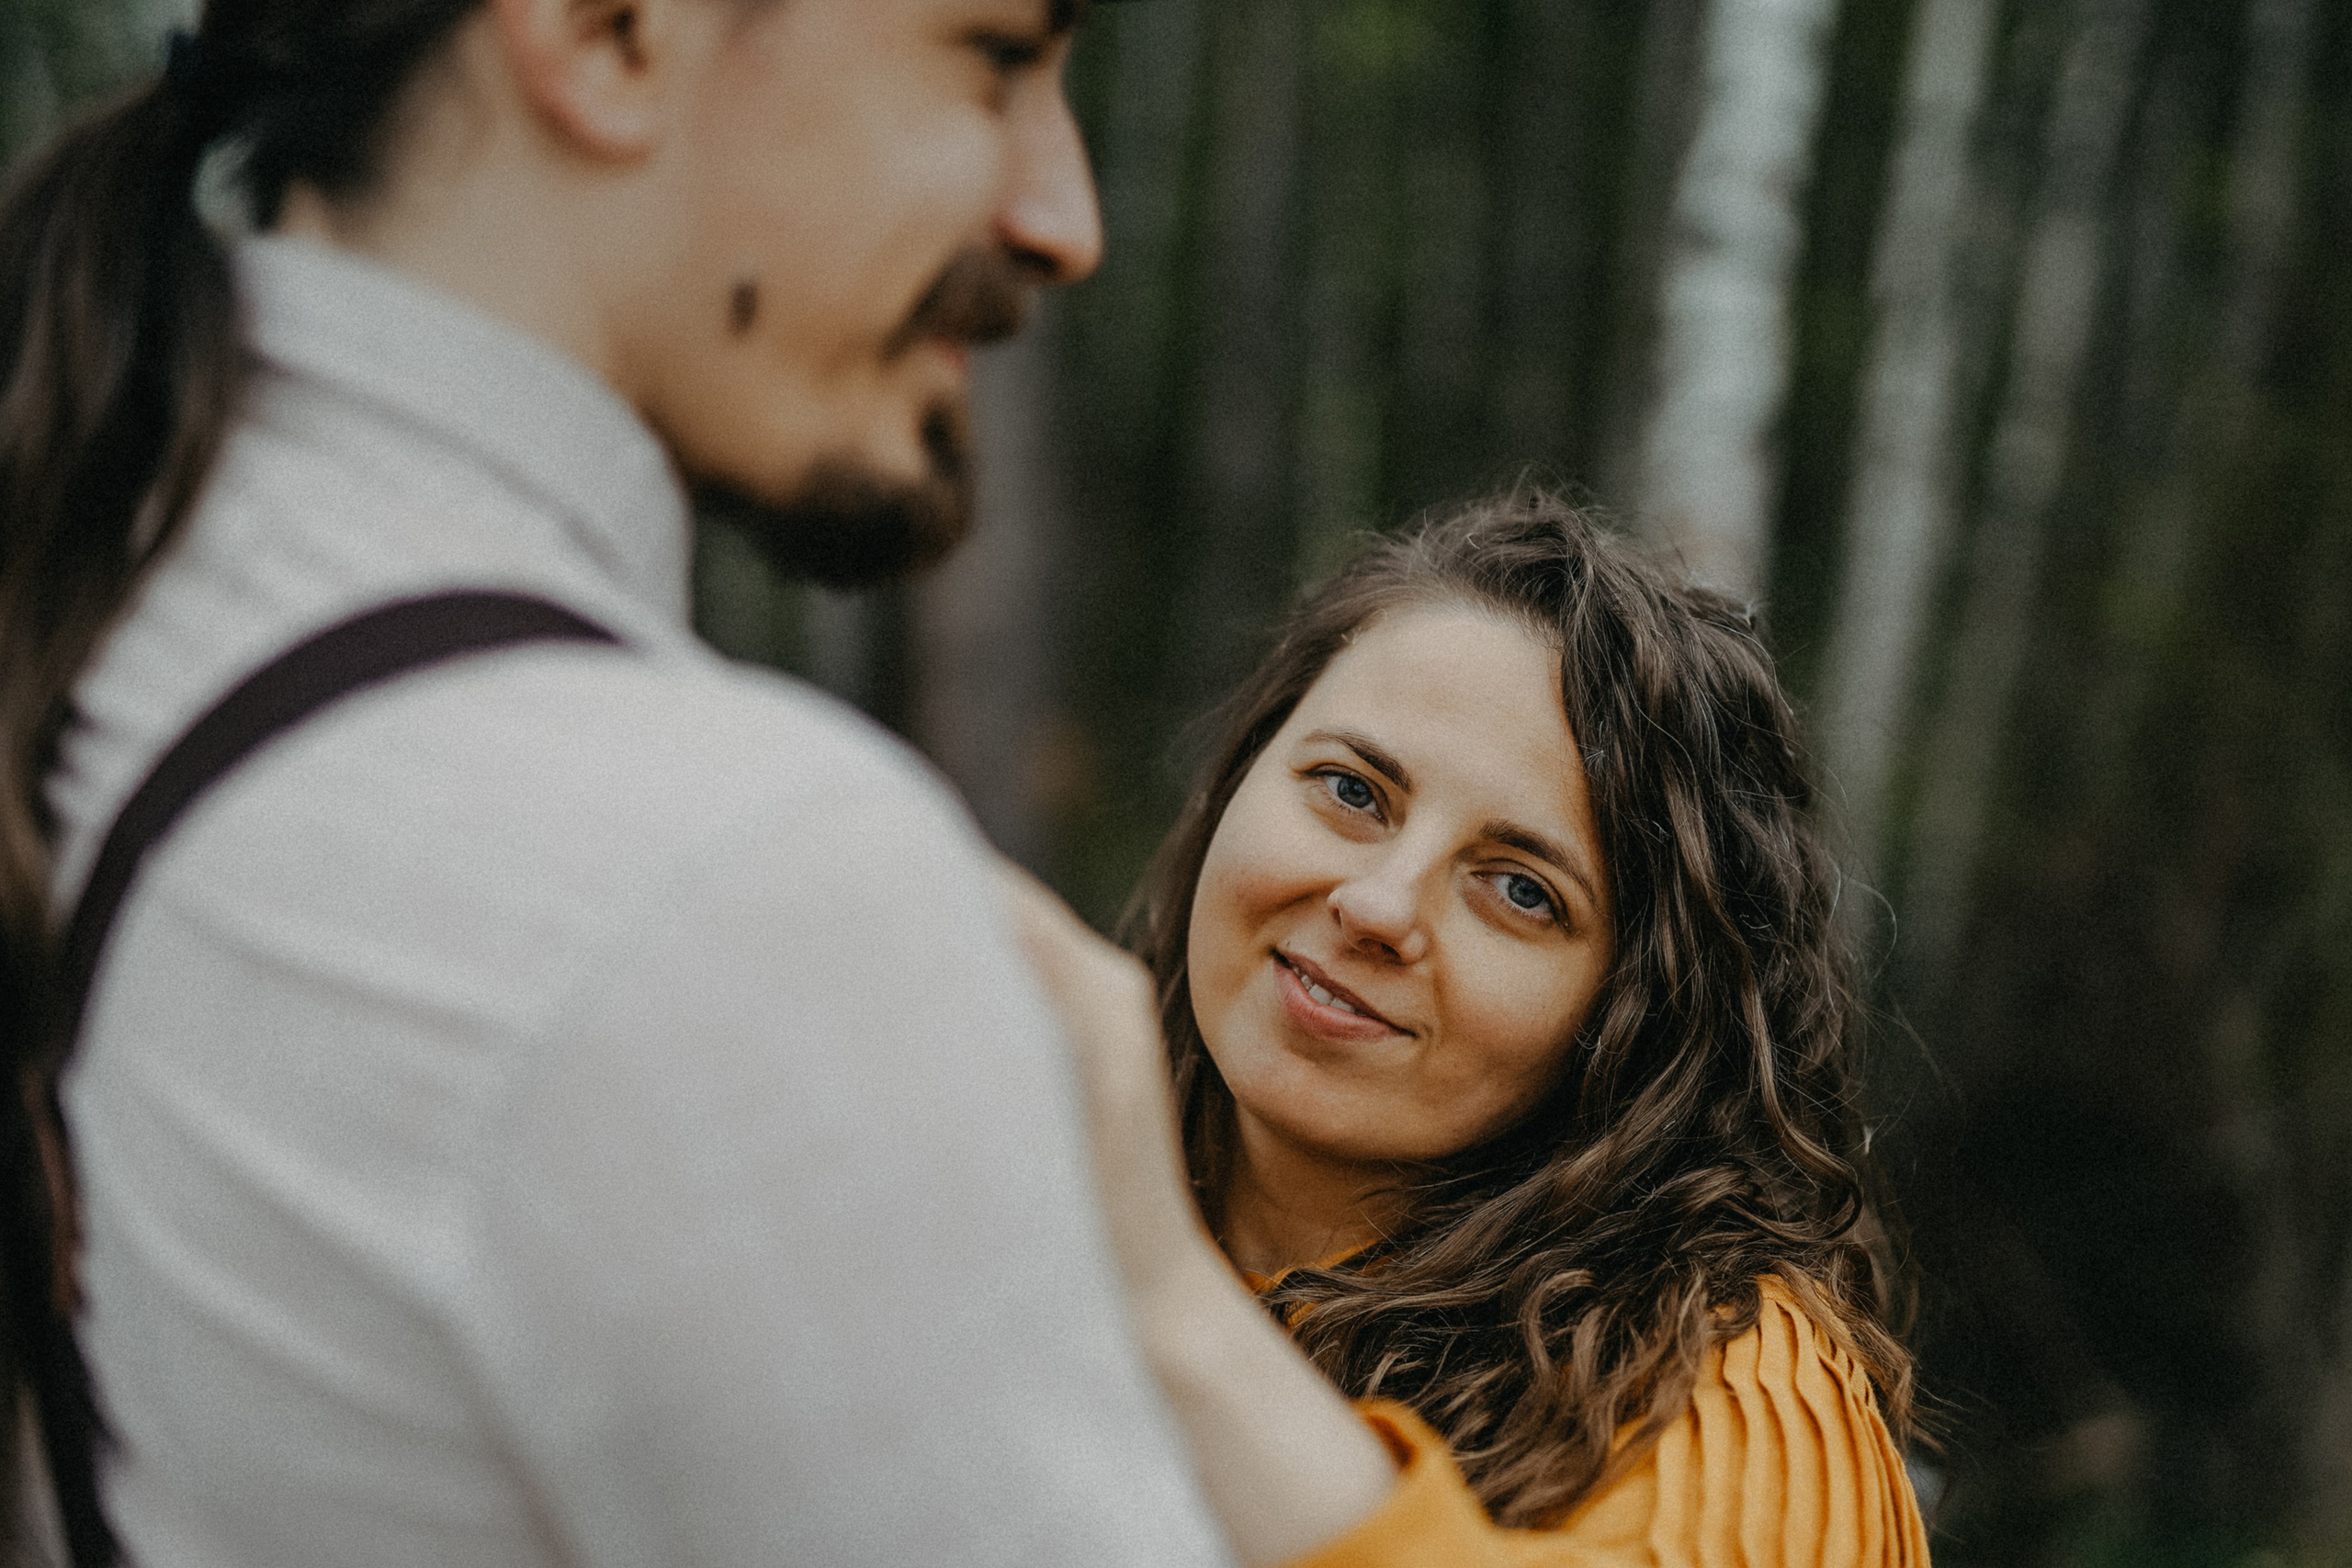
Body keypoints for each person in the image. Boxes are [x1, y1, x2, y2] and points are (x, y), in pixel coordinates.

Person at [0, 1, 1405, 1564]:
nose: (1061, 220)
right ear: (607, 35)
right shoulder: (720, 882)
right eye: (996, 60)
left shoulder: (111, 597)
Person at [1013, 490, 1934, 1564]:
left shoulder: (1733, 1378)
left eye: (1520, 891)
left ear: (1637, 1014)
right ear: (1238, 777)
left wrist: (1165, 1297)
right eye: (1350, 790)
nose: (1378, 906)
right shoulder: (1012, 1170)